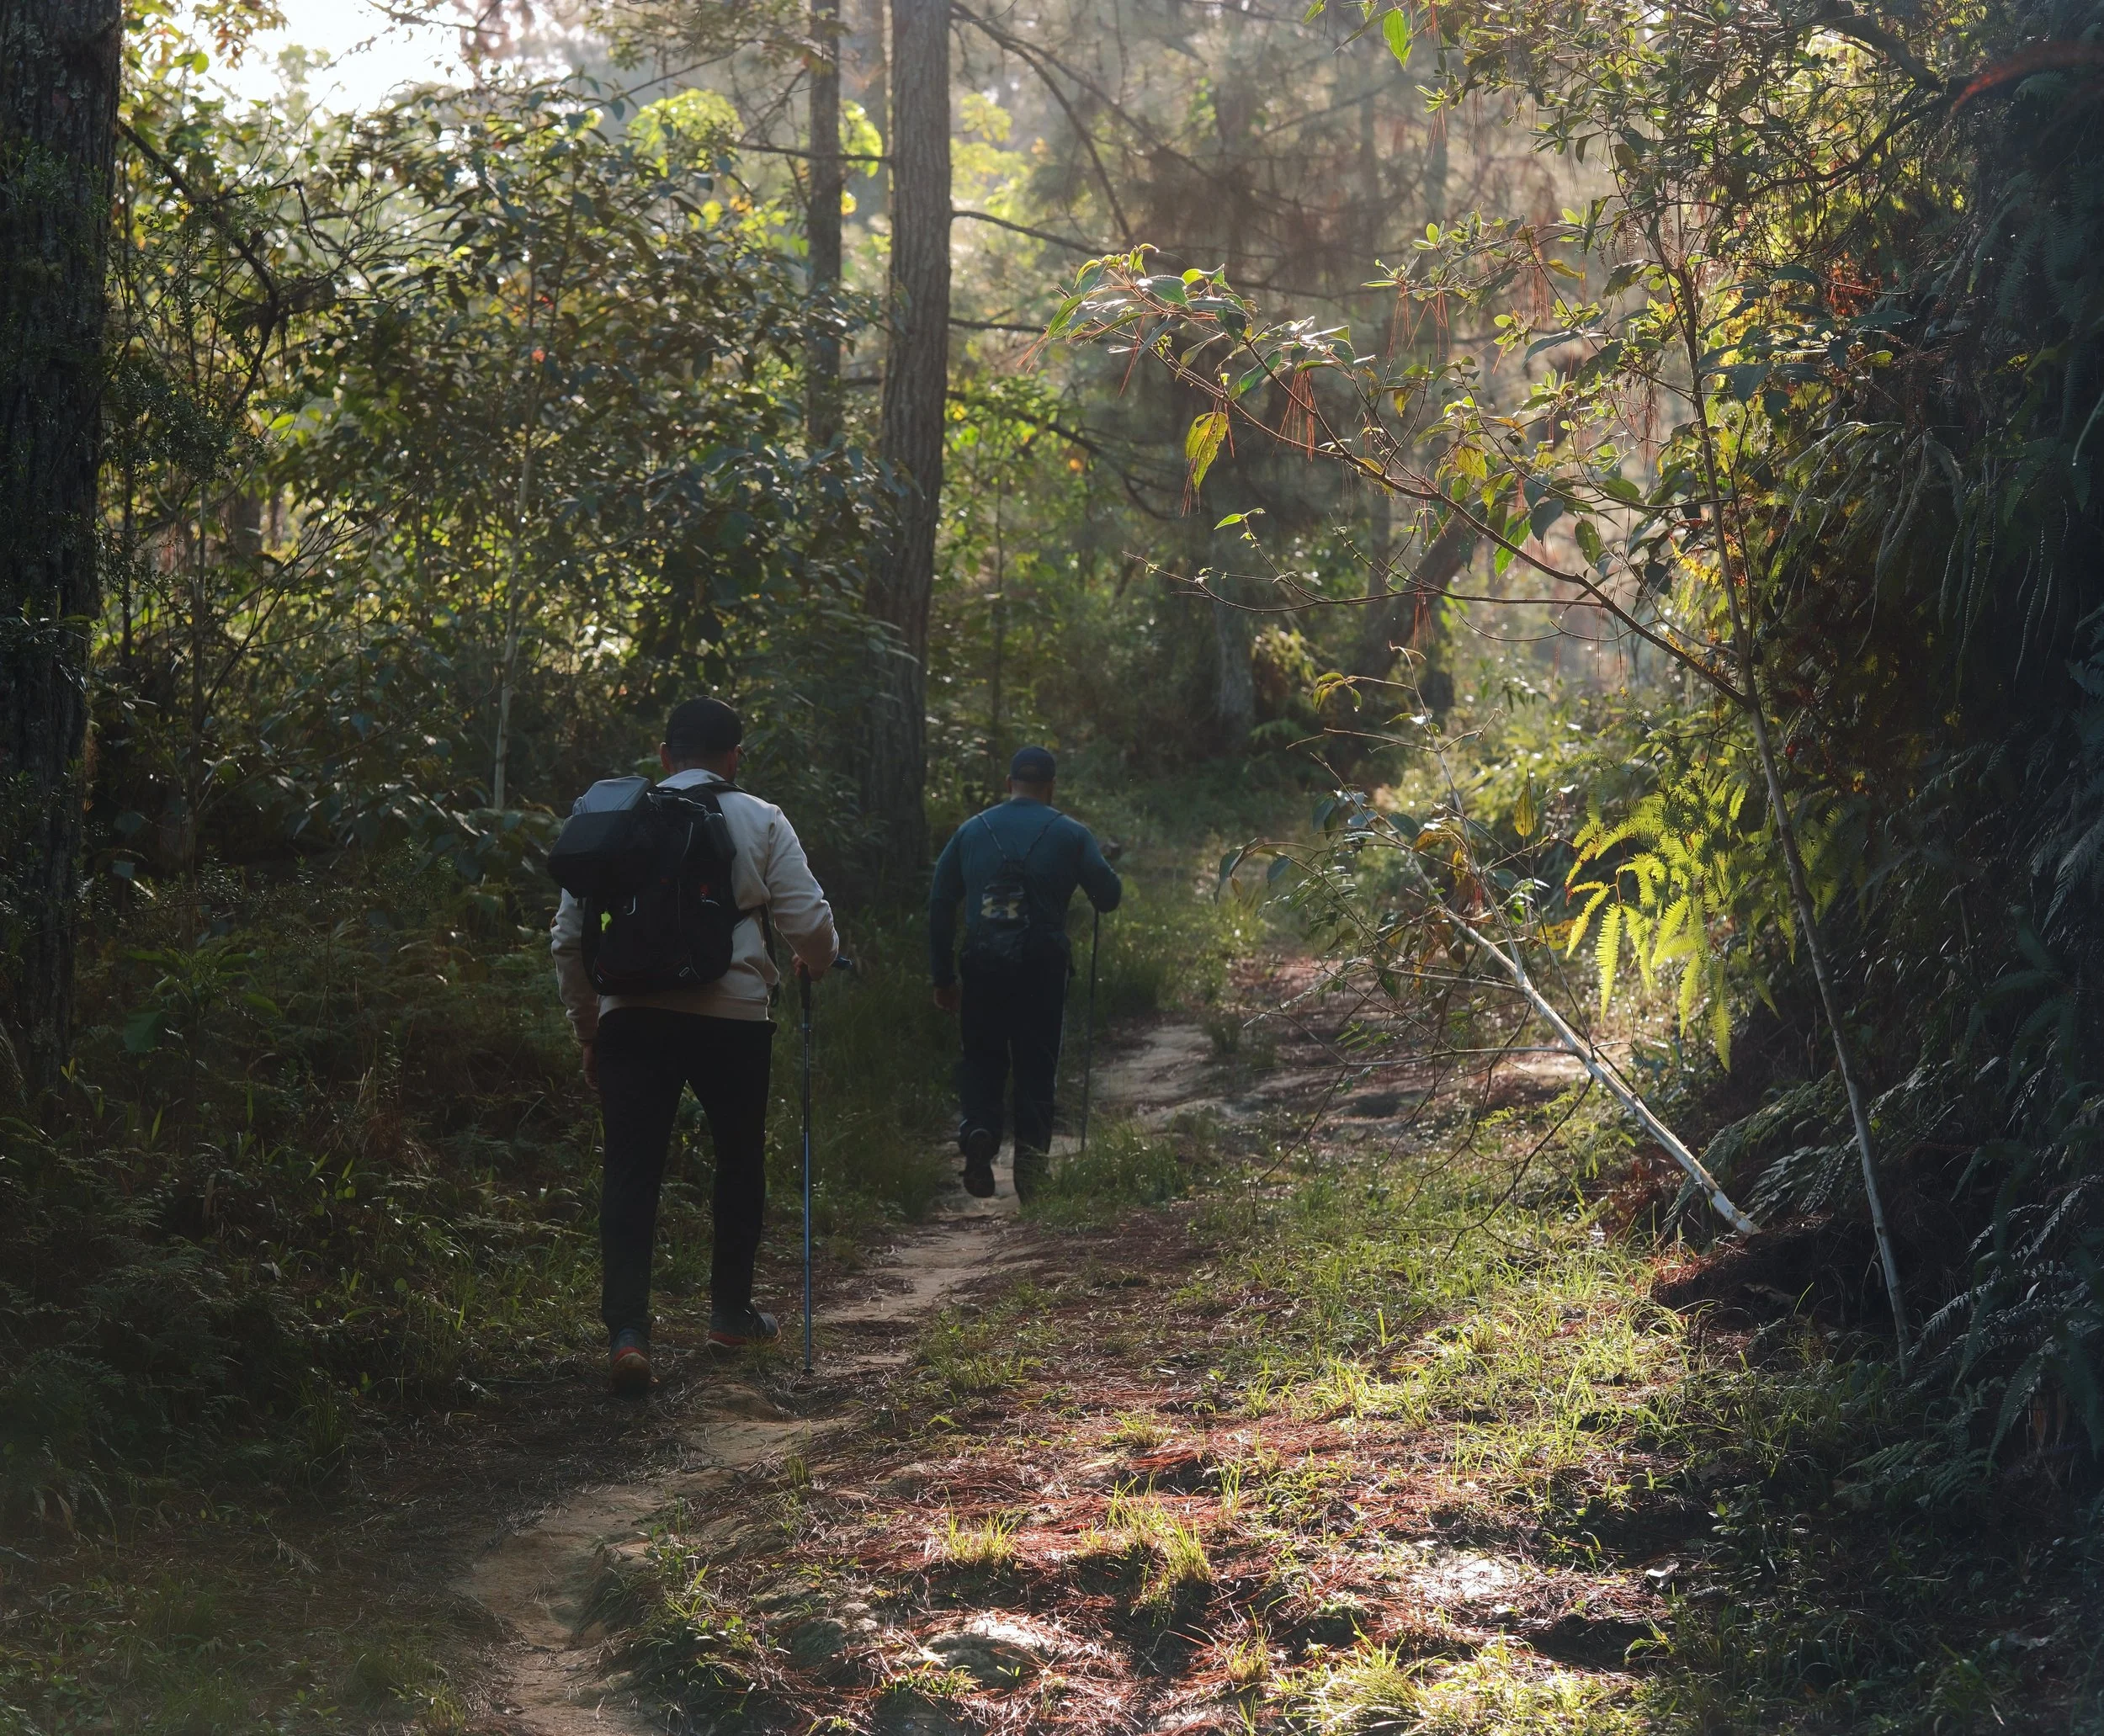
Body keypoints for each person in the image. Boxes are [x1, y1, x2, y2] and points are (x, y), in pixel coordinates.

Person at [552, 698, 837, 1395]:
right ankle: (731, 1314)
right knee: (738, 1159)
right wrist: (816, 962)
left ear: (663, 755)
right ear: (735, 756)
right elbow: (810, 925)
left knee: (630, 1169)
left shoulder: (615, 818)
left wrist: (590, 1029)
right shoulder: (762, 817)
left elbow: (567, 939)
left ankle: (628, 1333)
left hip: (631, 1016)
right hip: (734, 1015)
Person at [928, 746, 1122, 1201]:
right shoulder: (1071, 833)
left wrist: (943, 977)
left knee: (981, 1057)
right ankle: (1032, 1175)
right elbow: (1108, 897)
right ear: (1051, 787)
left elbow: (940, 902)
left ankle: (979, 1131)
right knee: (1037, 1064)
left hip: (983, 964)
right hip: (1042, 966)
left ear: (1008, 782)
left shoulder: (972, 831)